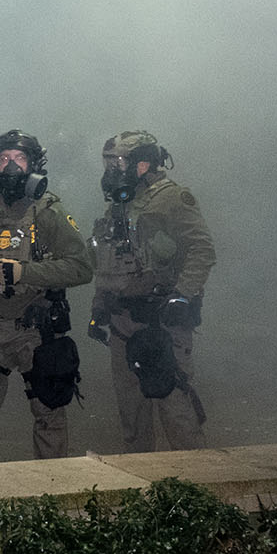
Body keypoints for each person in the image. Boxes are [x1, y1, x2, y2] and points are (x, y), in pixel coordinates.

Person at [0, 130, 95, 464]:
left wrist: (25, 272)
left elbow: (81, 267)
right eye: (4, 159)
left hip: (35, 329)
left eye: (19, 158)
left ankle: (51, 490)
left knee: (49, 410)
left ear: (33, 164)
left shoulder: (49, 211)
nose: (11, 166)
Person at [86, 130, 216, 452]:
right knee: (132, 417)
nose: (112, 170)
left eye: (118, 162)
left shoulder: (172, 198)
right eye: (108, 163)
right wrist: (99, 305)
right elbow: (111, 259)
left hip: (162, 322)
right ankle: (140, 489)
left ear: (142, 164)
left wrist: (182, 295)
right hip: (122, 323)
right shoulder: (120, 205)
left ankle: (196, 490)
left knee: (177, 412)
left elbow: (202, 249)